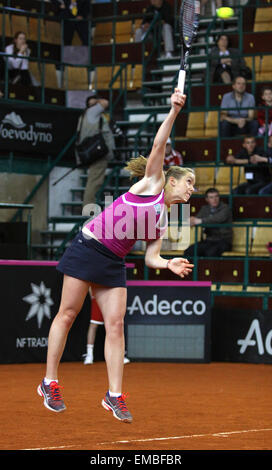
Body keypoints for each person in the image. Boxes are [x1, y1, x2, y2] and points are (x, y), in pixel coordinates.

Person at [37, 90, 195, 423]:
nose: (191, 190)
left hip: (112, 262)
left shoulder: (164, 219)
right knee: (67, 314)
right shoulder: (153, 183)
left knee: (116, 326)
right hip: (88, 247)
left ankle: (114, 396)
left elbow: (151, 257)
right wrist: (173, 112)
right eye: (189, 183)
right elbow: (157, 145)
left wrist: (168, 263)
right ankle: (49, 382)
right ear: (173, 179)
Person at [77, 91, 115, 215]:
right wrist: (96, 102)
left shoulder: (85, 115)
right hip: (97, 153)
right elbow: (105, 103)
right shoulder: (92, 111)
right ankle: (89, 210)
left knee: (94, 180)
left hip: (93, 152)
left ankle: (89, 207)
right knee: (94, 182)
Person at [83, 288, 130, 365]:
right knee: (93, 325)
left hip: (112, 299)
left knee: (114, 326)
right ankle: (89, 355)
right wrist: (92, 296)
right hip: (98, 298)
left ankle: (119, 356)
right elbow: (90, 282)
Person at [183, 188, 232, 257]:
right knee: (189, 251)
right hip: (209, 240)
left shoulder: (225, 208)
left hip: (223, 241)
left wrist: (200, 221)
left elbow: (217, 219)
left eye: (216, 196)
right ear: (207, 199)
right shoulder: (205, 209)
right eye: (211, 197)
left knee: (211, 253)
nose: (214, 199)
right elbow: (197, 219)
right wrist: (192, 220)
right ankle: (194, 268)